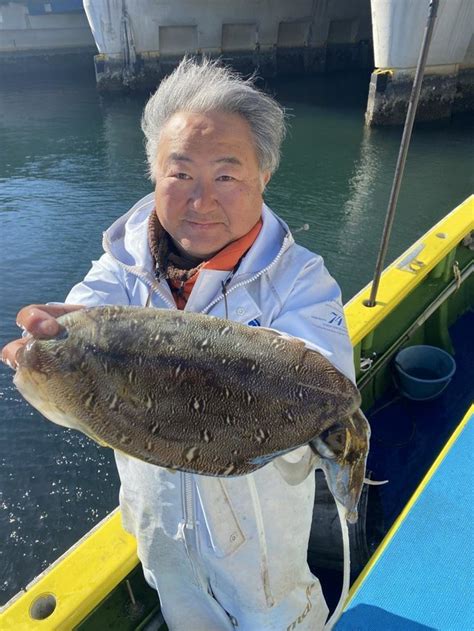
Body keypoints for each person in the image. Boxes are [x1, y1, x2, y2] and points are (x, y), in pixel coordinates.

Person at [2, 58, 355, 630]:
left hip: (262, 557)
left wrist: (127, 345)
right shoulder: (117, 270)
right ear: (153, 174)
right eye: (180, 173)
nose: (201, 200)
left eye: (226, 175)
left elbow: (325, 392)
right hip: (161, 537)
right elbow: (72, 367)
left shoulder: (303, 284)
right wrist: (47, 350)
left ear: (264, 176)